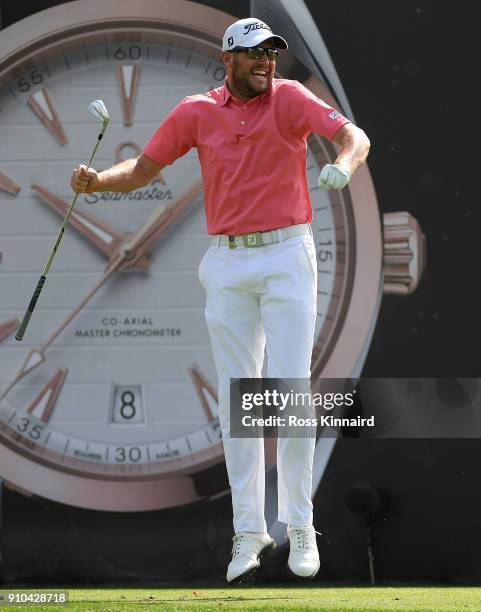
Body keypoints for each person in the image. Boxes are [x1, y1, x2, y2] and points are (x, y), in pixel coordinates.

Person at [71, 18, 370, 584]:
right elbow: (141, 170)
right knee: (241, 399)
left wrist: (342, 165)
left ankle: (300, 524)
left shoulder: (289, 98)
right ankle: (248, 531)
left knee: (290, 391)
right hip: (228, 261)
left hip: (287, 255)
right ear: (227, 59)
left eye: (271, 55)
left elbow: (354, 136)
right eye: (255, 55)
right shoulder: (196, 111)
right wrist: (97, 183)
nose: (267, 63)